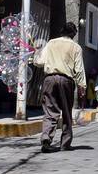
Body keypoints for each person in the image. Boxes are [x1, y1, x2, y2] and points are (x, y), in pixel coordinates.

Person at [34, 21, 86, 153]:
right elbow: (79, 69)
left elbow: (40, 62)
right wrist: (82, 86)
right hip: (66, 80)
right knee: (67, 113)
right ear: (74, 34)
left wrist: (36, 52)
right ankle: (65, 143)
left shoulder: (51, 43)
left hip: (49, 79)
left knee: (50, 111)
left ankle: (46, 138)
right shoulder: (76, 47)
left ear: (62, 31)